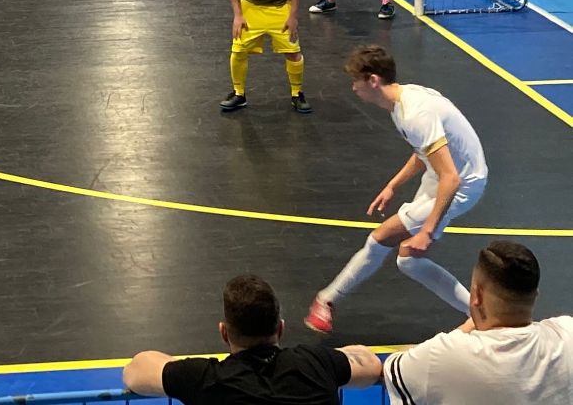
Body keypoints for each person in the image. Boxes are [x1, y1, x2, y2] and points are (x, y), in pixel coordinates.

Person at [305, 44, 488, 334]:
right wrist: (393, 185)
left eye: (356, 80)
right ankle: (481, 317)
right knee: (408, 260)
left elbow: (451, 178)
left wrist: (427, 230)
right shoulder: (403, 102)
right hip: (444, 175)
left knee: (380, 239)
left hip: (462, 184)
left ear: (373, 80)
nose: (353, 87)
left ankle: (326, 300)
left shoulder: (416, 114)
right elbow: (423, 153)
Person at [123, 274, 382, 405]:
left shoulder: (204, 379)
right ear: (280, 328)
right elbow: (370, 365)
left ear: (224, 333)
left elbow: (135, 370)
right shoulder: (317, 363)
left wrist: (183, 372)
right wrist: (331, 359)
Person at [384, 241, 573, 404]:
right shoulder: (566, 333)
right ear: (535, 295)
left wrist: (464, 329)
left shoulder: (442, 355)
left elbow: (390, 371)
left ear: (477, 296)